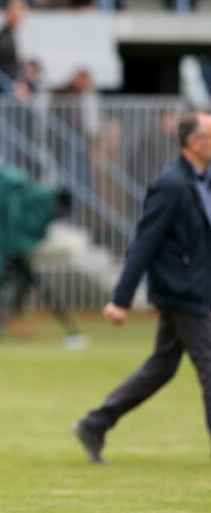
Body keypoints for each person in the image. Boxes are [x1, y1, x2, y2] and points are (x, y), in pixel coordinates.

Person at [73, 112, 211, 464]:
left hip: (199, 287)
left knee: (161, 367)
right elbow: (144, 243)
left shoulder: (202, 181)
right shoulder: (171, 185)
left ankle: (95, 423)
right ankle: (95, 423)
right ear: (194, 143)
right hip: (182, 293)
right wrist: (120, 299)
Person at [0, 0, 29, 100]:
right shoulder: (3, 37)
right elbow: (5, 66)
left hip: (6, 88)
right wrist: (16, 85)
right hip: (3, 91)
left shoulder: (7, 35)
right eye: (17, 15)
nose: (20, 18)